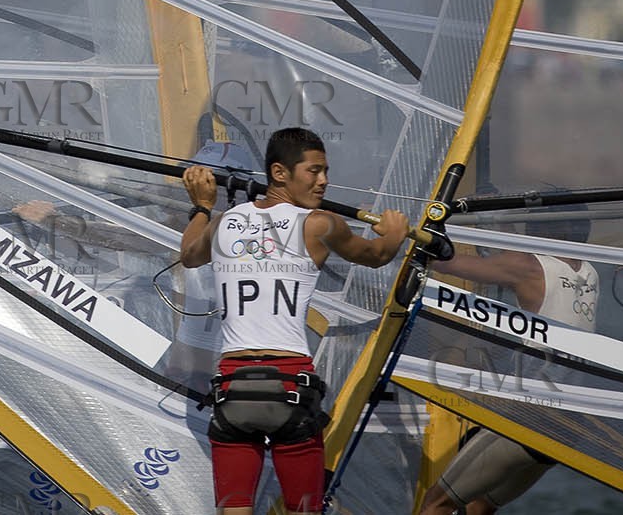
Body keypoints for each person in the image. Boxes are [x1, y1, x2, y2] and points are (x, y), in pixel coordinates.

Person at [181, 126, 408, 515]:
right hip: (289, 384)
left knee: (233, 508)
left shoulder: (224, 222)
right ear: (280, 173)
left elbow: (188, 254)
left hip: (234, 387)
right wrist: (395, 233)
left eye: (325, 172)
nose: (324, 181)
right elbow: (375, 255)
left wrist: (202, 205)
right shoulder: (319, 224)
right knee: (304, 509)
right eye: (314, 171)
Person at [416, 215, 598, 515]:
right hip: (569, 425)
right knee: (479, 506)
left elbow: (445, 263)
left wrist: (408, 235)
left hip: (531, 415)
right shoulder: (590, 272)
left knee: (437, 503)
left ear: (546, 230)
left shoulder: (528, 266)